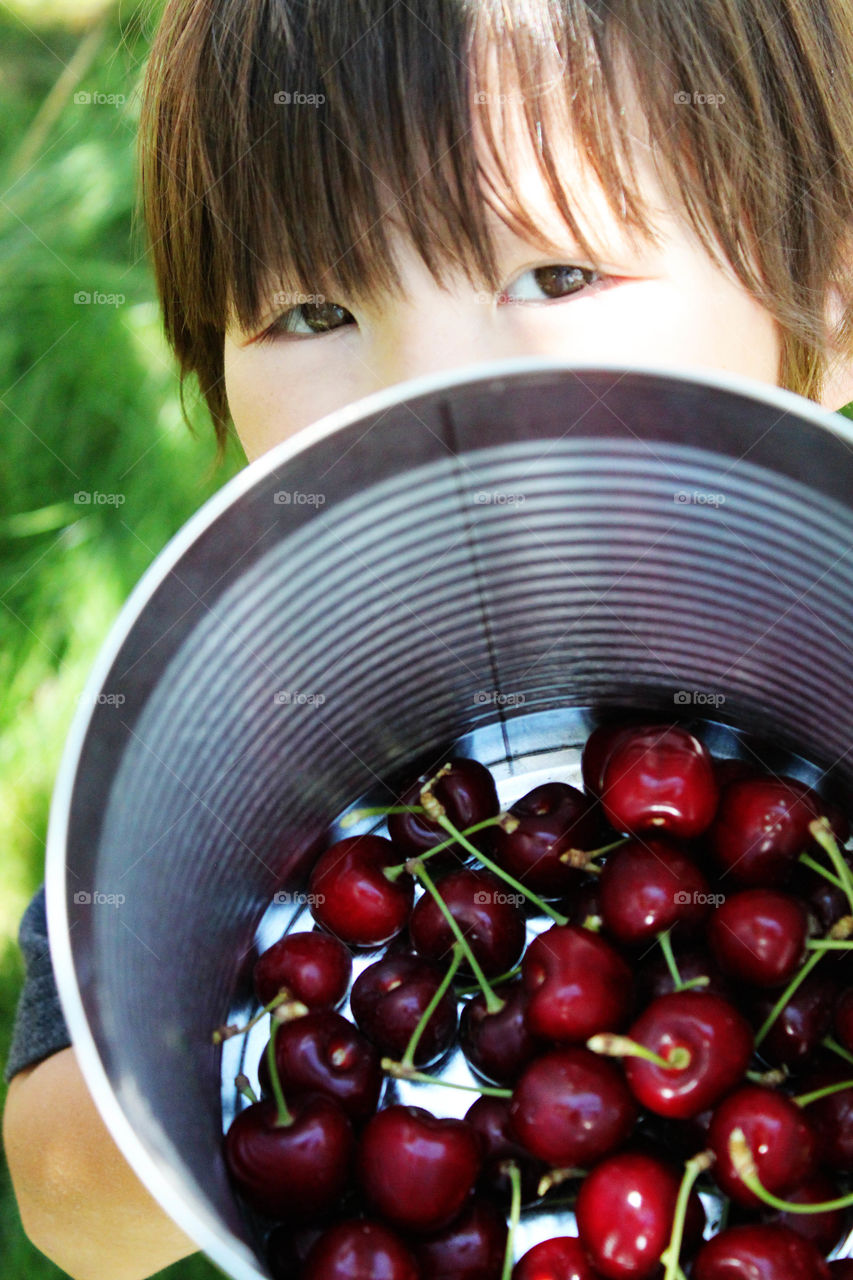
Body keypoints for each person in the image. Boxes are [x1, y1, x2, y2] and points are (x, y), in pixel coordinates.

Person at [4, 0, 853, 1276]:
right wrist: (207, 1071)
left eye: (556, 275)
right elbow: (64, 1205)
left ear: (831, 307)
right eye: (309, 311)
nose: (429, 405)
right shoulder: (243, 702)